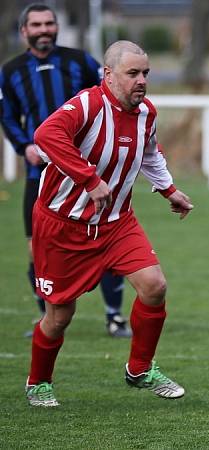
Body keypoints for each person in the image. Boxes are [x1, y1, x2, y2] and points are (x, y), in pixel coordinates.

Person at [24, 40, 194, 407]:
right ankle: (39, 382)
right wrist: (89, 178)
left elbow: (149, 154)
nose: (141, 81)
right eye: (132, 73)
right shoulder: (87, 104)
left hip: (116, 222)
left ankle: (139, 369)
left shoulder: (147, 112)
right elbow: (44, 136)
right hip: (62, 224)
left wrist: (169, 191)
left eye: (145, 73)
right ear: (109, 75)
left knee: (154, 285)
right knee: (60, 316)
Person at [0, 3, 132, 338]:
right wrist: (23, 146)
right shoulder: (11, 70)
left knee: (106, 243)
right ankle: (47, 317)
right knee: (36, 249)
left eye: (49, 23)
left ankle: (115, 317)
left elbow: (110, 95)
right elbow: (7, 115)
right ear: (24, 31)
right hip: (40, 177)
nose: (44, 29)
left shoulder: (79, 61)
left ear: (56, 27)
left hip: (88, 172)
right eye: (37, 25)